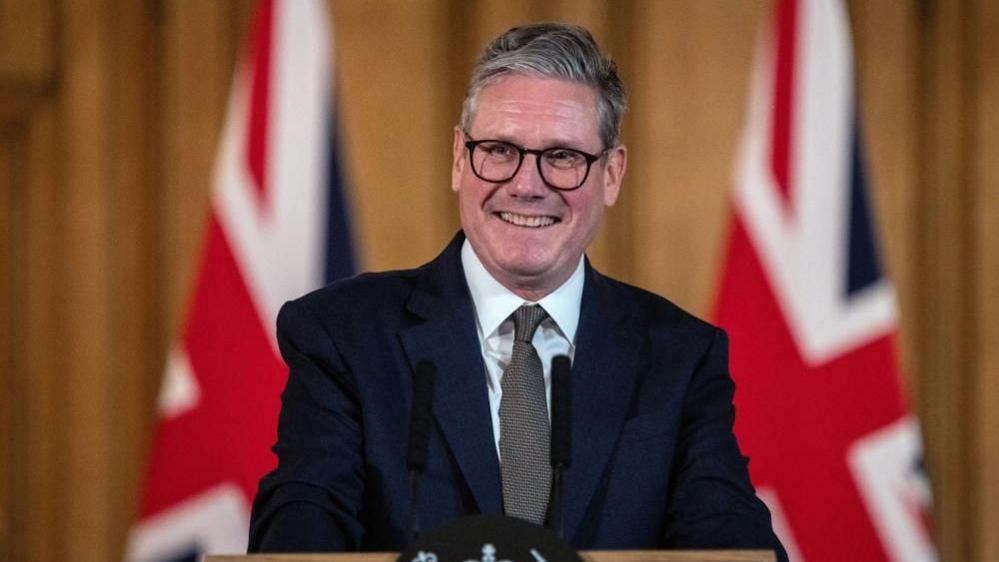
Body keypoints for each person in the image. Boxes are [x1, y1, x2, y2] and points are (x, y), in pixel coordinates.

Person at [249, 22, 786, 560]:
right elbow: (298, 537)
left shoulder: (679, 356)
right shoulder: (345, 337)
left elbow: (732, 545)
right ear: (461, 157)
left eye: (562, 157)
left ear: (612, 174)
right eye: (500, 149)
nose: (527, 185)